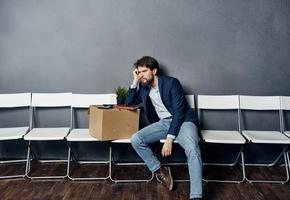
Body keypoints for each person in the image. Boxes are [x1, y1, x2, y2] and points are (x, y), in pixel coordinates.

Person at [125, 56, 203, 200]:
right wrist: (135, 81)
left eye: (143, 71)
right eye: (138, 72)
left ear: (154, 71)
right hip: (164, 123)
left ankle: (196, 196)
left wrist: (169, 139)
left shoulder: (172, 83)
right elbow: (128, 103)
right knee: (136, 139)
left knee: (192, 148)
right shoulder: (143, 86)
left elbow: (179, 113)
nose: (141, 74)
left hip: (184, 121)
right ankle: (160, 169)